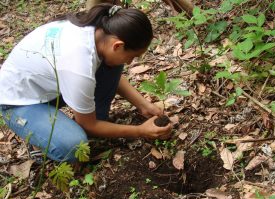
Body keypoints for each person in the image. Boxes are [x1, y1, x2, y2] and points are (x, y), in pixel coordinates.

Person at [0, 3, 172, 163]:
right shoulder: (78, 63)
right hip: (18, 102)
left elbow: (111, 75)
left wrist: (143, 105)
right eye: (132, 57)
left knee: (113, 65)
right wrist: (140, 131)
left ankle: (96, 121)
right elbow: (87, 124)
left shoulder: (99, 30)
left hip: (48, 84)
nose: (130, 63)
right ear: (118, 45)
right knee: (75, 147)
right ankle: (41, 142)